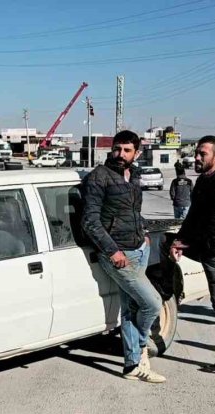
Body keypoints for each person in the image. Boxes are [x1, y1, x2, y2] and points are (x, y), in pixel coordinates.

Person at [80, 130, 166, 383]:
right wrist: (112, 251)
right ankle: (141, 347)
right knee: (152, 303)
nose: (121, 154)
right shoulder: (99, 177)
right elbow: (90, 221)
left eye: (127, 150)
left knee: (129, 310)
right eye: (117, 148)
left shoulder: (134, 175)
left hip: (139, 248)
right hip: (119, 254)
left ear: (136, 153)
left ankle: (132, 366)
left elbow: (134, 211)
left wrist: (144, 233)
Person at [170, 136, 215, 374]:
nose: (197, 157)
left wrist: (186, 242)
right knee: (162, 244)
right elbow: (194, 217)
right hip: (206, 248)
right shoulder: (203, 181)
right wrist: (179, 239)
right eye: (197, 153)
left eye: (203, 154)